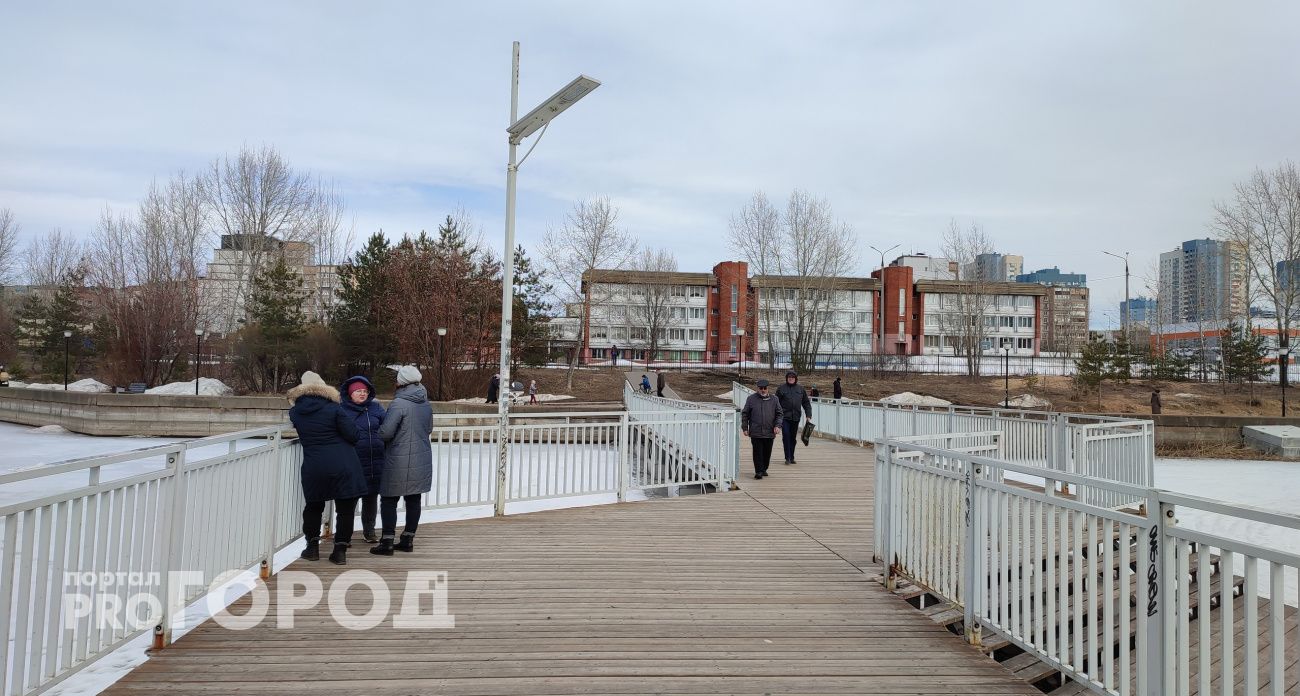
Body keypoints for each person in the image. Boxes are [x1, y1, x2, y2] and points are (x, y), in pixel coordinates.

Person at [287, 371, 368, 565]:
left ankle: (312, 548)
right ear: (323, 388)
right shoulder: (334, 408)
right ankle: (339, 551)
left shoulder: (295, 412)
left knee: (314, 506)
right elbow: (353, 435)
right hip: (344, 464)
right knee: (345, 509)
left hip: (315, 465)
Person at [372, 365, 434, 556]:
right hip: (421, 457)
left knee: (389, 499)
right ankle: (407, 540)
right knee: (414, 498)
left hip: (398, 458)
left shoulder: (398, 403)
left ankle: (387, 542)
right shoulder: (425, 403)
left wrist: (378, 430)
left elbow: (386, 433)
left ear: (401, 382)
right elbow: (429, 429)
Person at [340, 375, 385, 543]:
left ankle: (369, 531)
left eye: (365, 391)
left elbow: (387, 426)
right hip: (352, 461)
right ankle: (344, 536)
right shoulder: (341, 410)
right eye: (358, 391)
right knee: (349, 500)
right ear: (350, 393)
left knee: (371, 498)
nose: (362, 394)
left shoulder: (376, 408)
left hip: (375, 461)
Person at [741, 378, 782, 479]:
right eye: (761, 388)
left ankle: (764, 469)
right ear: (757, 388)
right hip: (756, 431)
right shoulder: (751, 399)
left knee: (767, 452)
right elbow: (745, 414)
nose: (763, 390)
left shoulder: (774, 399)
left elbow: (779, 414)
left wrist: (777, 425)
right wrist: (745, 427)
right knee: (757, 452)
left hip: (769, 431)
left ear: (768, 388)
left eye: (765, 388)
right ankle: (758, 471)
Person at [775, 370, 813, 465]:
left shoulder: (800, 389)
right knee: (786, 435)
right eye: (789, 377)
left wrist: (808, 415)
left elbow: (806, 403)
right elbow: (775, 403)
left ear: (796, 378)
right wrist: (775, 417)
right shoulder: (781, 389)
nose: (791, 378)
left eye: (793, 377)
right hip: (784, 417)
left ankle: (791, 457)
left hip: (796, 417)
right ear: (786, 378)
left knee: (792, 438)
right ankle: (787, 457)